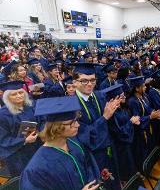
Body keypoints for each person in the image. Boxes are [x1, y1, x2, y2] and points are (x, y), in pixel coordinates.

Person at [20, 96, 101, 190]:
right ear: (56, 128)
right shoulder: (36, 169)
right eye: (72, 123)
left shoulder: (73, 142)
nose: (78, 125)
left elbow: (87, 167)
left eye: (76, 121)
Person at [72, 62, 122, 190]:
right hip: (92, 156)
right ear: (75, 82)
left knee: (114, 181)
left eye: (93, 80)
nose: (89, 84)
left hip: (109, 148)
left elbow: (112, 124)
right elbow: (84, 134)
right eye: (84, 81)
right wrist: (105, 117)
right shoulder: (71, 106)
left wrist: (115, 110)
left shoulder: (100, 96)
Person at [0, 81, 40, 177]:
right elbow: (3, 139)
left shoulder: (31, 106)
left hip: (37, 147)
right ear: (7, 97)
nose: (19, 95)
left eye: (21, 92)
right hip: (19, 155)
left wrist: (41, 131)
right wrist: (24, 140)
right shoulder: (2, 115)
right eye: (14, 94)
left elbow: (42, 120)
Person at [102, 84, 138, 182]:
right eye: (121, 96)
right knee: (126, 168)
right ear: (115, 99)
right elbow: (119, 132)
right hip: (120, 147)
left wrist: (132, 121)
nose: (124, 97)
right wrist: (131, 122)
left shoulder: (121, 107)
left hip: (127, 142)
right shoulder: (112, 114)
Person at [127, 76, 160, 170]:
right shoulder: (132, 102)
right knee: (143, 151)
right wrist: (150, 117)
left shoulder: (144, 96)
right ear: (137, 88)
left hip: (148, 127)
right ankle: (144, 170)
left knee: (151, 145)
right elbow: (137, 119)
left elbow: (148, 108)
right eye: (143, 86)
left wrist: (154, 113)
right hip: (140, 132)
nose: (145, 87)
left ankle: (151, 164)